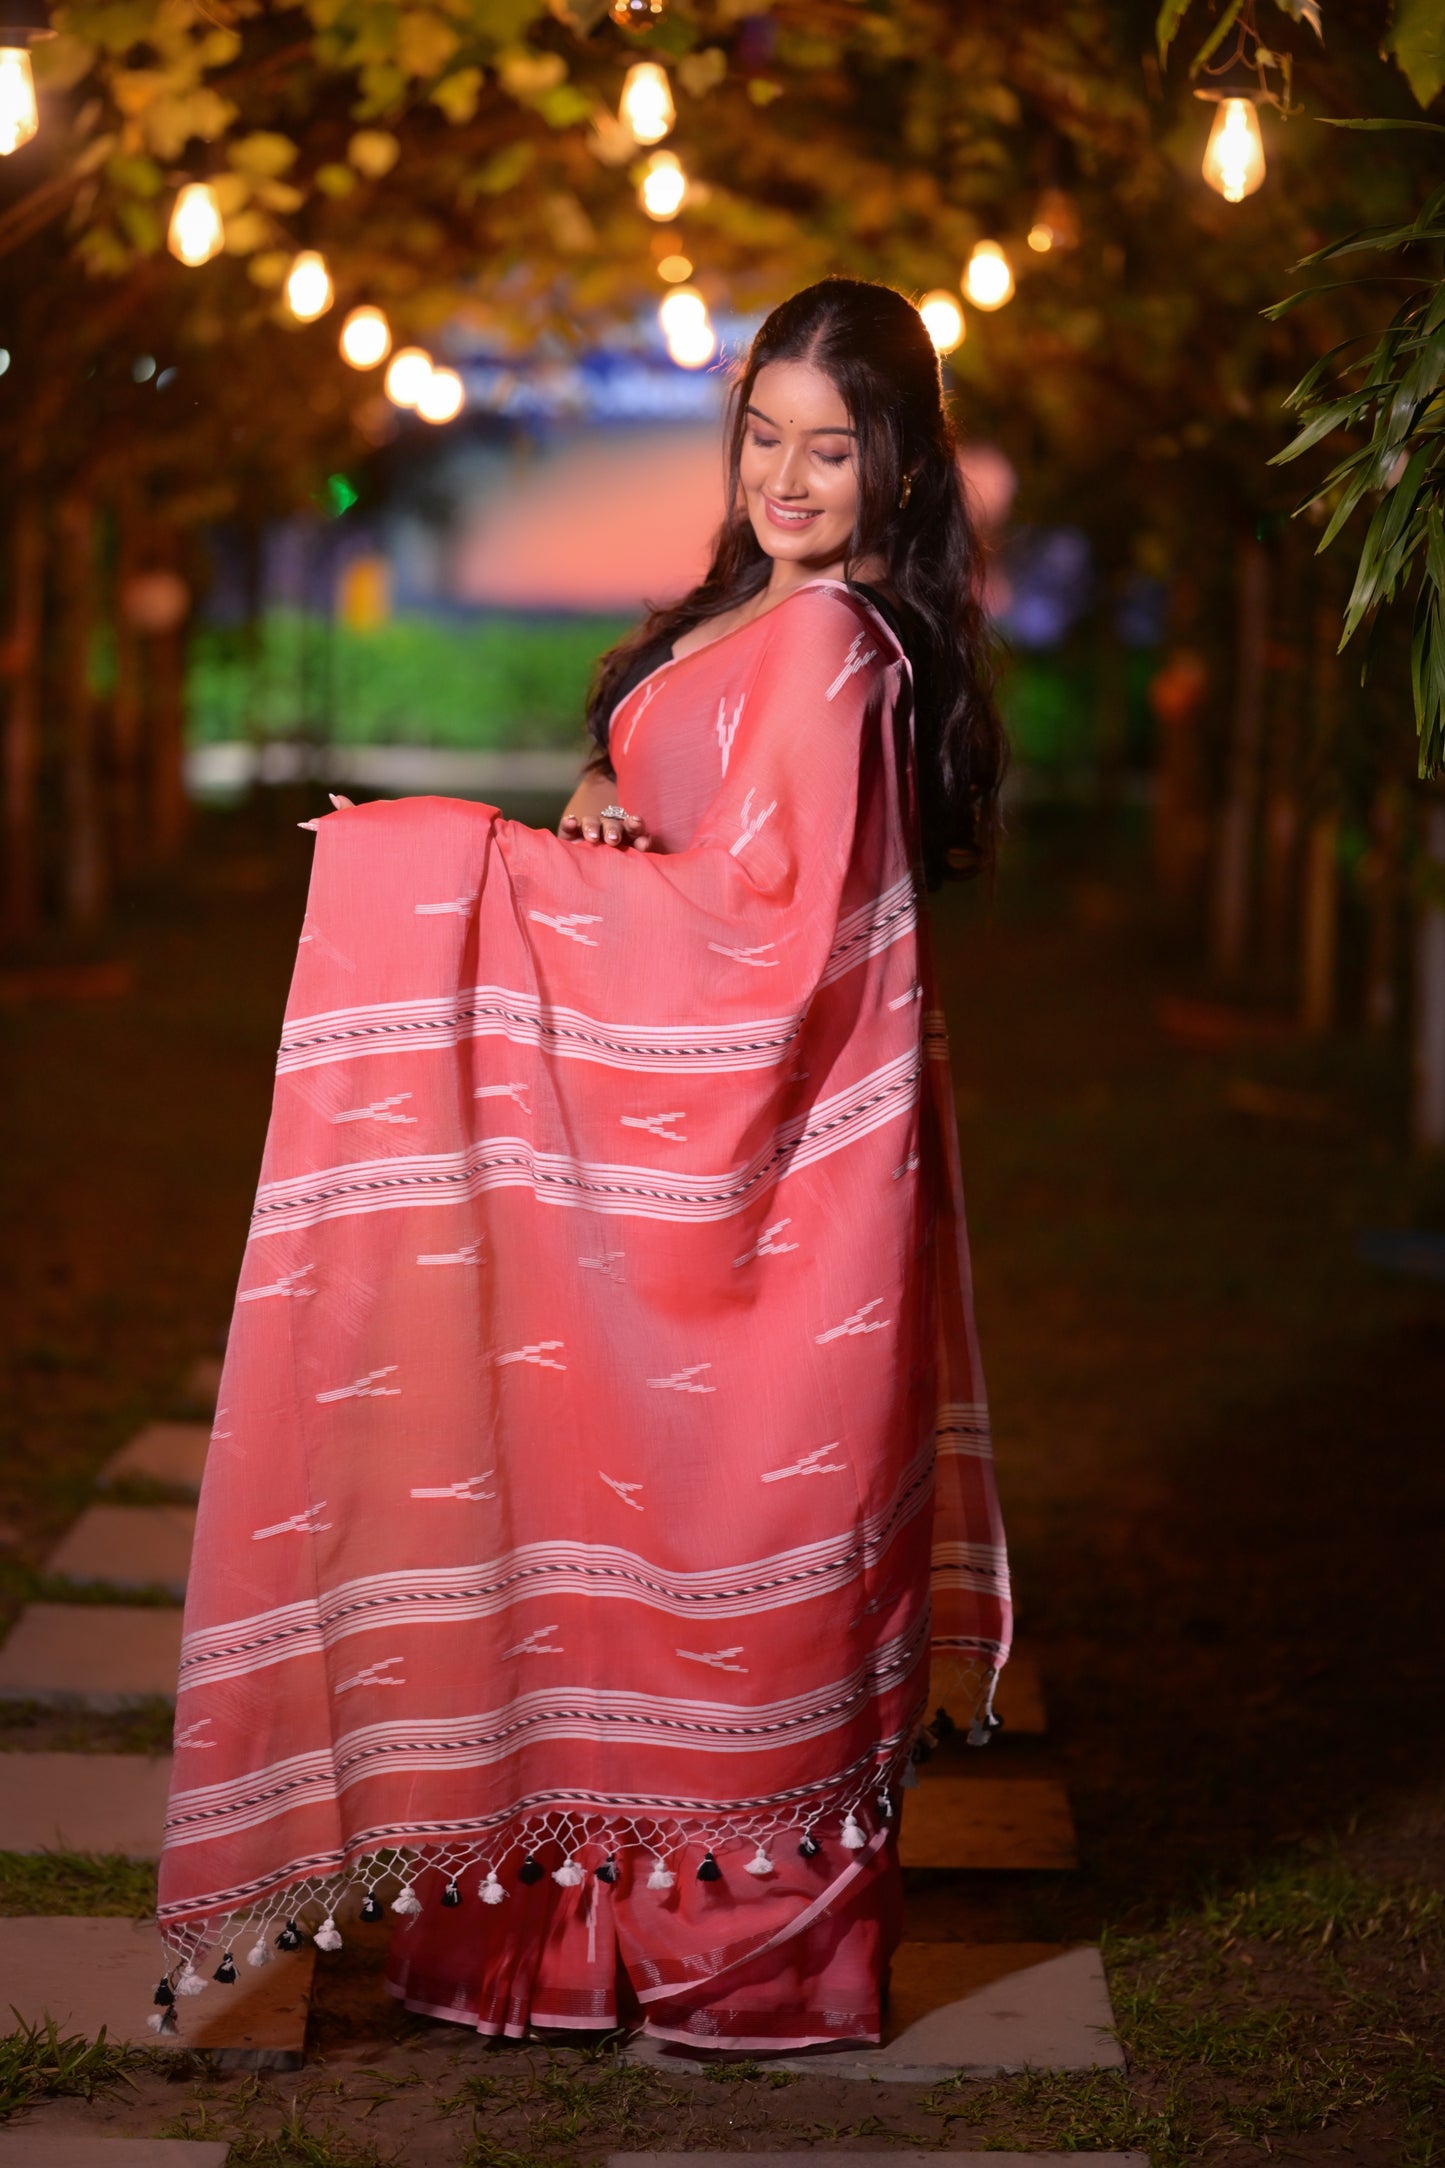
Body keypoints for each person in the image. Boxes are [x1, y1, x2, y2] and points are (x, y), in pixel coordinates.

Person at [156, 277, 1011, 2057]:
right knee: (567, 1496)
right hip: (629, 1139)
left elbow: (769, 947)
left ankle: (737, 1949)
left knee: (726, 1515)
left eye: (830, 448)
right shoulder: (734, 619)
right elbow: (691, 845)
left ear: (899, 468)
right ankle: (551, 1924)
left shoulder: (842, 651)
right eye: (763, 436)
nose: (786, 477)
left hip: (761, 1178)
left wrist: (453, 866)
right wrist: (594, 821)